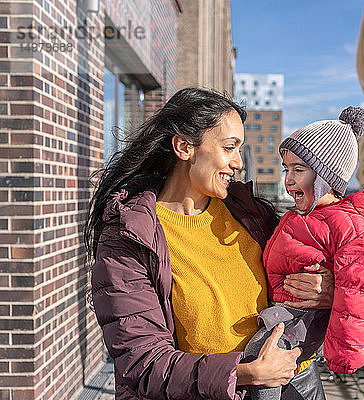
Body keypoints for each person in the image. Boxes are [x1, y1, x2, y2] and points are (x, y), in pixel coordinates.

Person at [85, 88, 334, 400]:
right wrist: (245, 373)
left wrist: (328, 288)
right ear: (184, 147)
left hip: (295, 386)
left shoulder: (250, 215)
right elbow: (142, 363)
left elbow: (312, 266)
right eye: (229, 147)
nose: (239, 163)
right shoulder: (130, 238)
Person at [243, 107, 364, 400]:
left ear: (325, 176)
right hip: (287, 315)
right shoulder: (305, 216)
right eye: (286, 169)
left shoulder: (344, 223)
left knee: (260, 360)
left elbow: (359, 288)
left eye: (298, 170)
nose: (288, 180)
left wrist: (344, 354)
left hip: (301, 321)